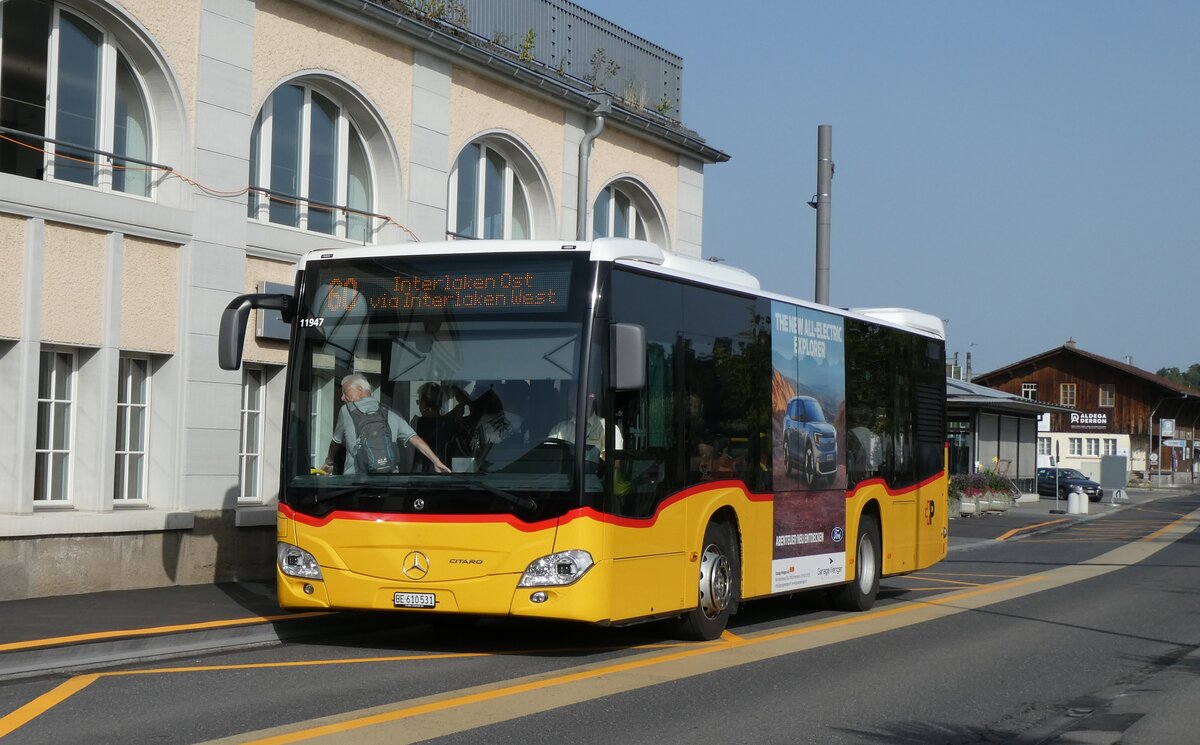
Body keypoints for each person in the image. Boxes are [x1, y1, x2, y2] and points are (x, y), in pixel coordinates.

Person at [322, 374, 450, 475]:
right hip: (387, 482)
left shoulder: (346, 410)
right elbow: (414, 439)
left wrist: (329, 462)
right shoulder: (391, 413)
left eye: (345, 392)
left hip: (356, 482)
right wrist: (436, 461)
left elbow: (336, 442)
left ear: (360, 390)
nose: (342, 398)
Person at [547, 387, 622, 460]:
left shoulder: (608, 428)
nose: (571, 399)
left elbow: (614, 463)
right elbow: (547, 455)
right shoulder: (559, 429)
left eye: (575, 395)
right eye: (570, 396)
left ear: (591, 397)